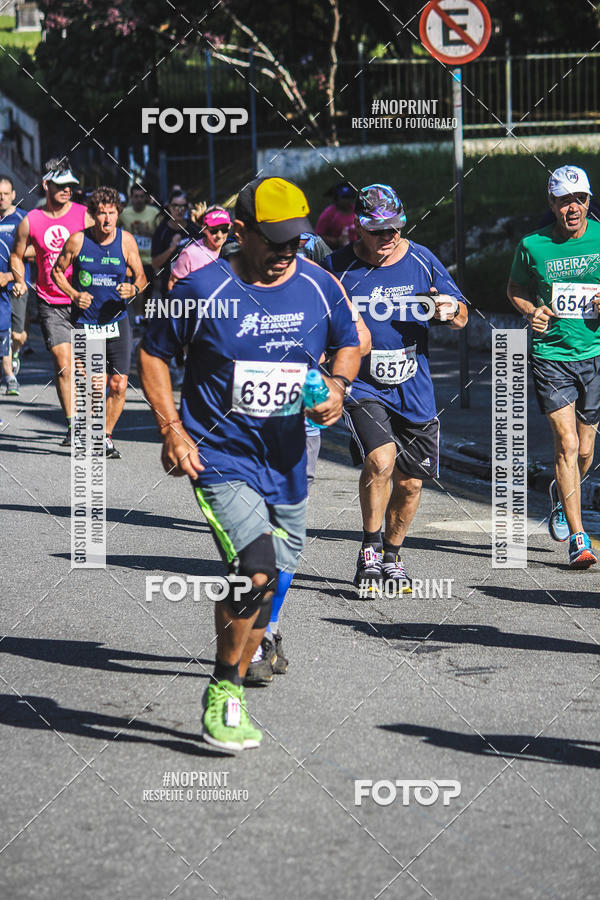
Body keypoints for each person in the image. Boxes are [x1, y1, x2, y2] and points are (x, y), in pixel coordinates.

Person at [138, 175, 361, 751]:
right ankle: (224, 689)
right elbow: (153, 354)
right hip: (219, 456)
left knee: (272, 578)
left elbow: (350, 340)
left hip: (288, 461)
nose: (290, 250)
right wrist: (172, 429)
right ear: (241, 233)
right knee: (255, 566)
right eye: (277, 239)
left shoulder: (319, 284)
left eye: (297, 240)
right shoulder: (201, 288)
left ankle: (244, 658)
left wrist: (338, 385)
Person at [324, 183, 468, 597]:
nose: (387, 237)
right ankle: (369, 549)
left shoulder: (422, 260)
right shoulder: (338, 268)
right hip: (364, 385)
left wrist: (448, 309)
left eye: (394, 229)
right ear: (359, 228)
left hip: (415, 388)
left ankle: (392, 554)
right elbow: (316, 324)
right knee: (381, 459)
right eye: (378, 230)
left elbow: (461, 315)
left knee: (410, 484)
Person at [507, 164, 600, 569]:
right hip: (551, 357)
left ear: (588, 202)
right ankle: (579, 540)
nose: (573, 207)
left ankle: (563, 499)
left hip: (594, 354)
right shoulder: (533, 245)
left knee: (585, 451)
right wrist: (532, 312)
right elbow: (515, 289)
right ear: (553, 204)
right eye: (565, 201)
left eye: (579, 199)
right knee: (565, 445)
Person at [52, 186, 146, 459]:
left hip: (117, 321)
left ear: (119, 214)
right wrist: (74, 294)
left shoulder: (126, 241)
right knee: (94, 385)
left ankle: (104, 437)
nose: (107, 220)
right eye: (101, 214)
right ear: (92, 215)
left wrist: (134, 289)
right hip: (87, 322)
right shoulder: (78, 241)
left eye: (112, 213)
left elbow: (141, 276)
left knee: (117, 384)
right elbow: (57, 271)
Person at [11, 158, 93, 444]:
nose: (67, 190)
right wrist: (20, 280)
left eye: (70, 186)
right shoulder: (31, 220)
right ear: (47, 185)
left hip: (84, 301)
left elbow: (104, 244)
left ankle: (90, 418)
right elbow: (16, 254)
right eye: (61, 186)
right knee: (63, 363)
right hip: (50, 300)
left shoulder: (85, 215)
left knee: (85, 368)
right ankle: (73, 426)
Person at [0, 174, 31, 390]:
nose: (1, 198)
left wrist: (11, 275)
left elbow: (36, 249)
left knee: (17, 334)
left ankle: (16, 352)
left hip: (18, 285)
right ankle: (9, 375)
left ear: (13, 195)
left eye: (4, 194)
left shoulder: (23, 219)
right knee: (3, 330)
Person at [118, 183, 159, 316]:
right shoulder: (124, 213)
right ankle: (138, 316)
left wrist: (149, 232)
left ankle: (146, 317)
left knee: (148, 290)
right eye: (136, 196)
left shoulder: (154, 213)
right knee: (136, 287)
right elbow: (115, 230)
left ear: (146, 198)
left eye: (142, 196)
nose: (139, 199)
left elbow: (161, 235)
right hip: (132, 259)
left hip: (149, 259)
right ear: (131, 197)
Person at [167, 205, 231, 290]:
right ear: (204, 228)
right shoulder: (190, 254)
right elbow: (173, 284)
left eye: (224, 230)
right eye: (214, 230)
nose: (219, 235)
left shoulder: (234, 250)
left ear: (230, 227)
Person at [151, 190, 196, 298]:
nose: (179, 210)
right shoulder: (161, 231)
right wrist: (171, 249)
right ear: (169, 207)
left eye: (183, 206)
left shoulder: (195, 229)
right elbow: (155, 264)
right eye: (175, 206)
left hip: (192, 288)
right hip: (170, 289)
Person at [316, 182, 357, 249]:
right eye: (344, 197)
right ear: (336, 199)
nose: (348, 200)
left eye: (350, 197)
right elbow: (318, 236)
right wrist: (337, 241)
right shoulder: (328, 214)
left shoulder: (357, 210)